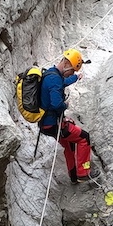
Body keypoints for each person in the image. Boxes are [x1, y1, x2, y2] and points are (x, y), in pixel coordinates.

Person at [38, 48, 98, 184]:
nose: (71, 73)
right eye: (72, 71)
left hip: (46, 124)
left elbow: (62, 83)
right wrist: (66, 105)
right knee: (84, 137)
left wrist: (76, 77)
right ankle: (84, 172)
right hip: (53, 124)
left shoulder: (51, 74)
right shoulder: (55, 79)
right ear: (66, 64)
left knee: (70, 143)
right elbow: (56, 104)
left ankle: (74, 176)